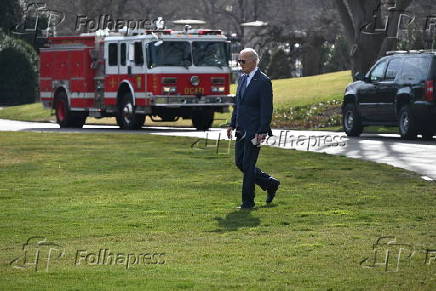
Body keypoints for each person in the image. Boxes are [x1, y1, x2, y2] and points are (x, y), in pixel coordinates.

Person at [227, 48, 280, 209]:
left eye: (243, 61)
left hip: (255, 130)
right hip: (241, 130)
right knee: (240, 163)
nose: (240, 64)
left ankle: (248, 202)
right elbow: (238, 105)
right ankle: (270, 183)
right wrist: (232, 124)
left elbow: (266, 109)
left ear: (253, 61)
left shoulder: (264, 81)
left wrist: (262, 131)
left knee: (248, 166)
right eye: (239, 61)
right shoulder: (242, 79)